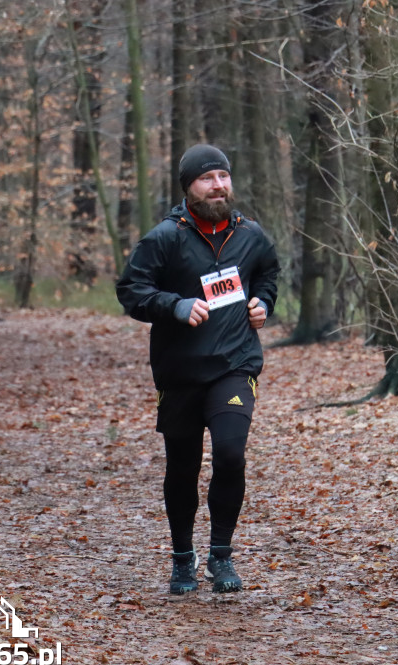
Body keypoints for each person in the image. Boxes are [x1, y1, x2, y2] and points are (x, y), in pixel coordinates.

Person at [116, 144, 279, 594]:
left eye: (223, 176)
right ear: (188, 187)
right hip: (181, 371)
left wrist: (263, 302)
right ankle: (183, 558)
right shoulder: (164, 238)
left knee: (231, 454)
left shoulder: (251, 236)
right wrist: (175, 305)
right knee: (182, 469)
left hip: (233, 365)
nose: (218, 185)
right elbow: (131, 291)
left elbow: (267, 275)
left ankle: (221, 556)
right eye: (207, 178)